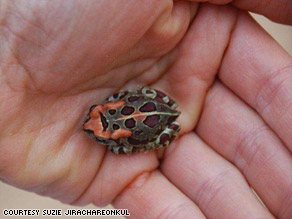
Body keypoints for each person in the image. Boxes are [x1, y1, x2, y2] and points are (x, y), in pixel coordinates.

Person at [0, 0, 291, 218]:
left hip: (161, 119)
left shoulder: (119, 139)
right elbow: (127, 102)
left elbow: (127, 144)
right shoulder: (110, 110)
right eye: (99, 130)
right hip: (155, 102)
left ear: (105, 109)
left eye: (101, 132)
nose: (90, 126)